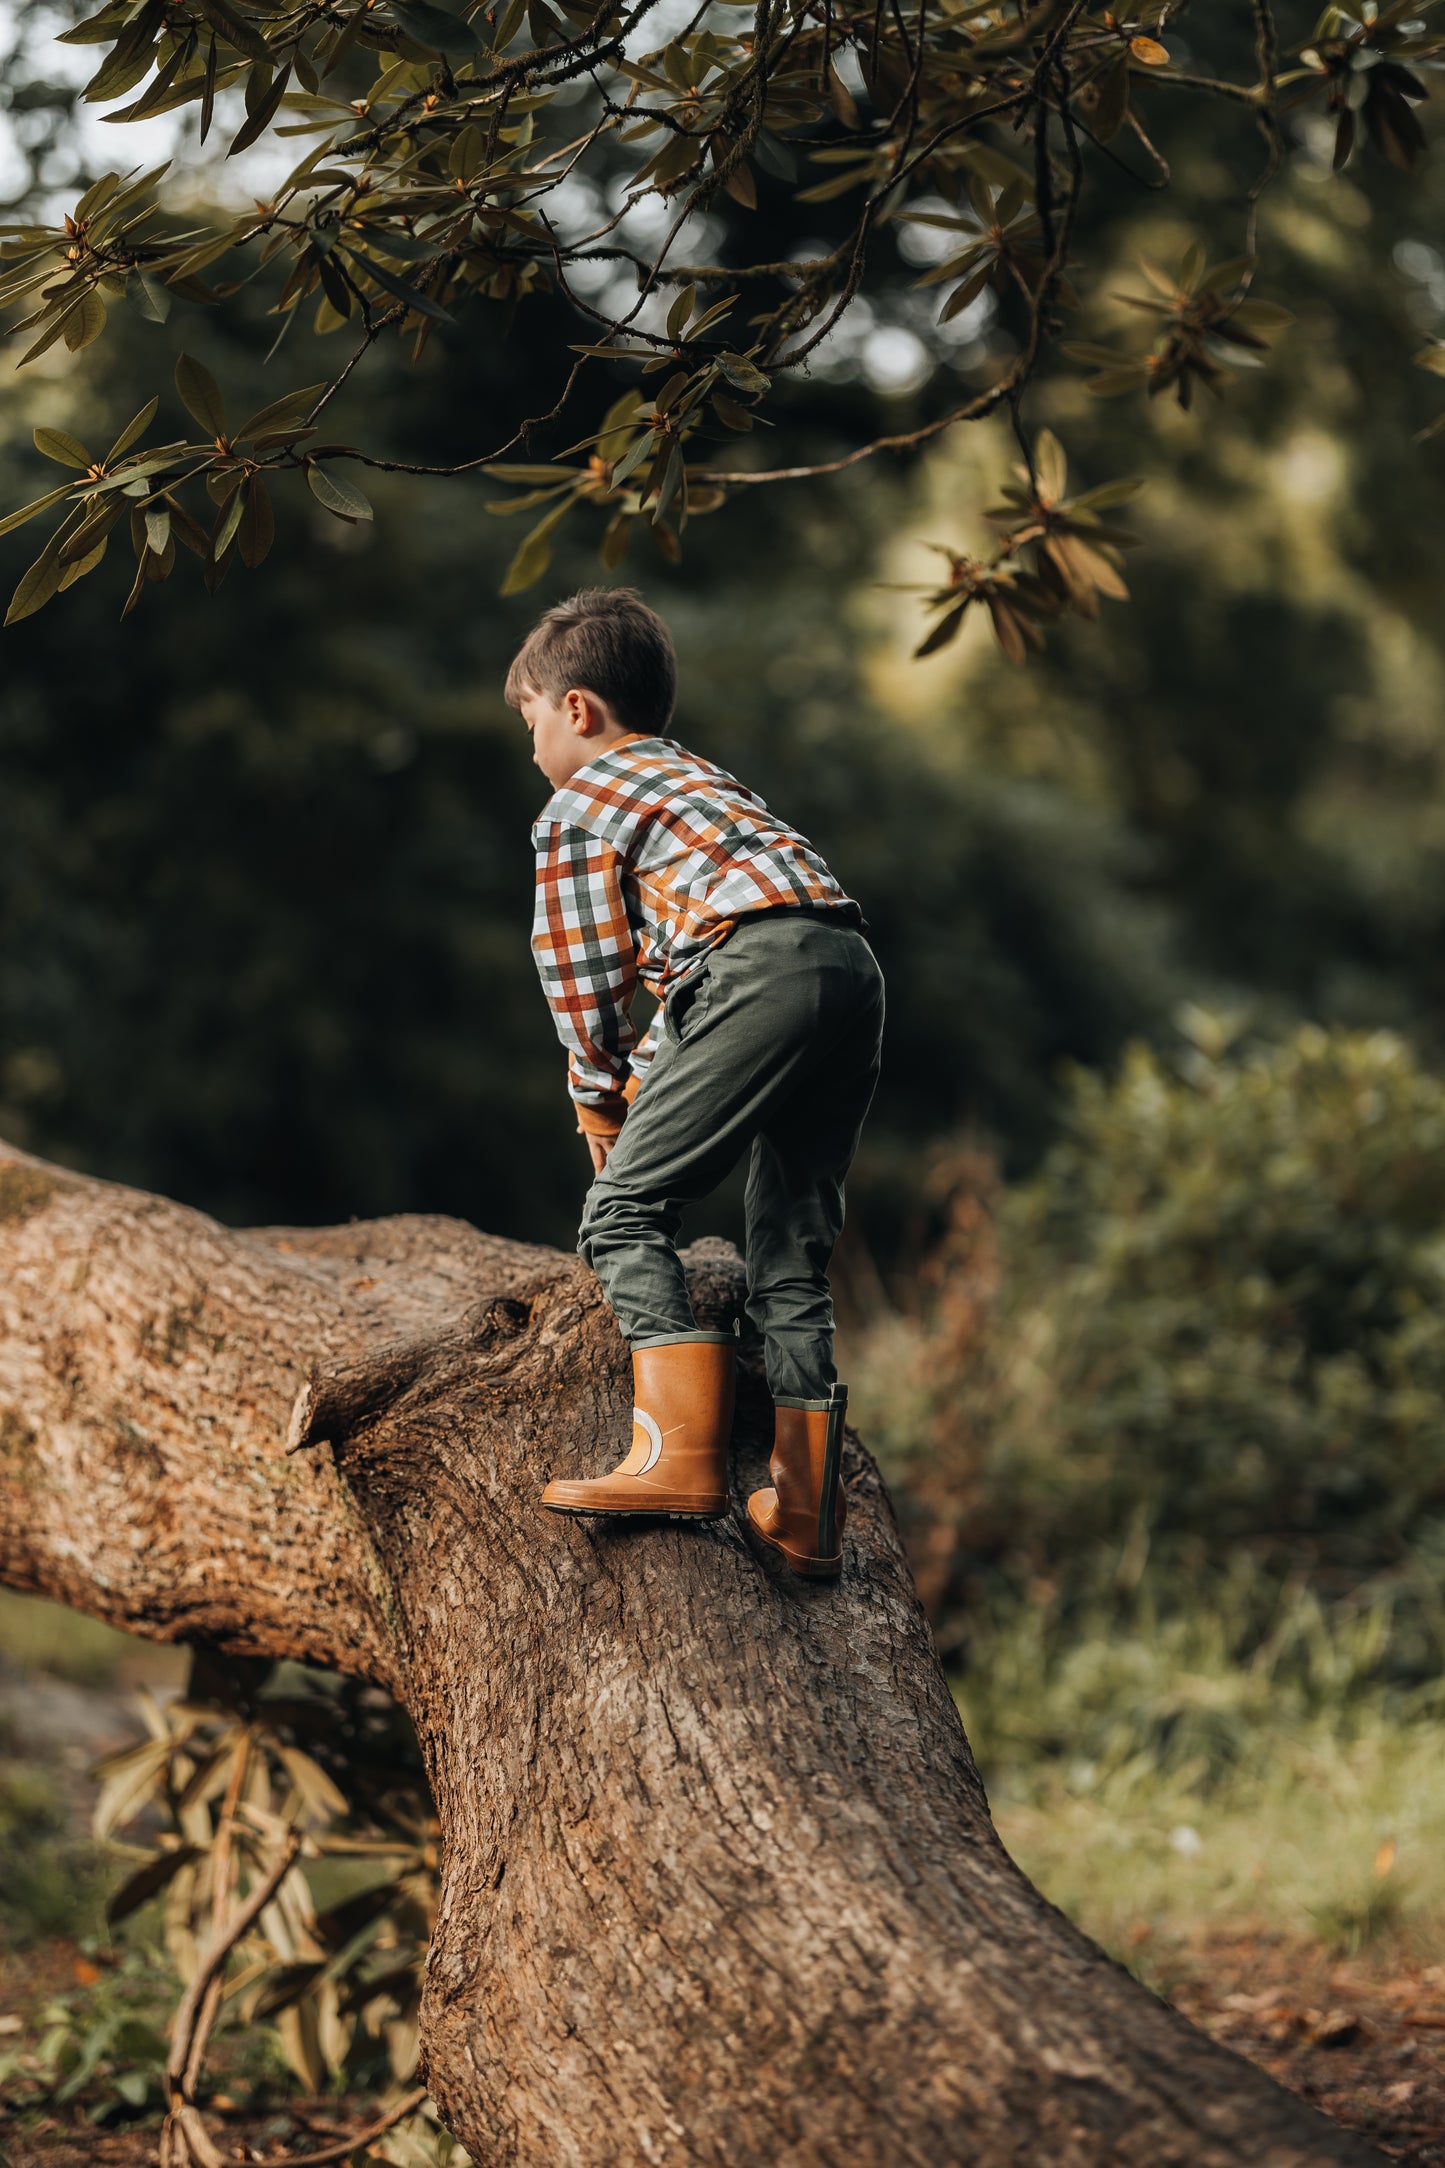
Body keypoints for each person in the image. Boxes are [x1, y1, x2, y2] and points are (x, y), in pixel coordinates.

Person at [509, 588, 884, 1579]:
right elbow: (711, 957)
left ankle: (673, 1456)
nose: (533, 746)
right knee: (790, 1244)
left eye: (531, 721)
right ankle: (804, 1509)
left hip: (751, 965)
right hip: (847, 964)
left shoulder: (579, 804)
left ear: (577, 708)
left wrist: (597, 1095)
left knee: (623, 1209)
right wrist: (647, 1075)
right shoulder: (698, 777)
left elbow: (582, 971)